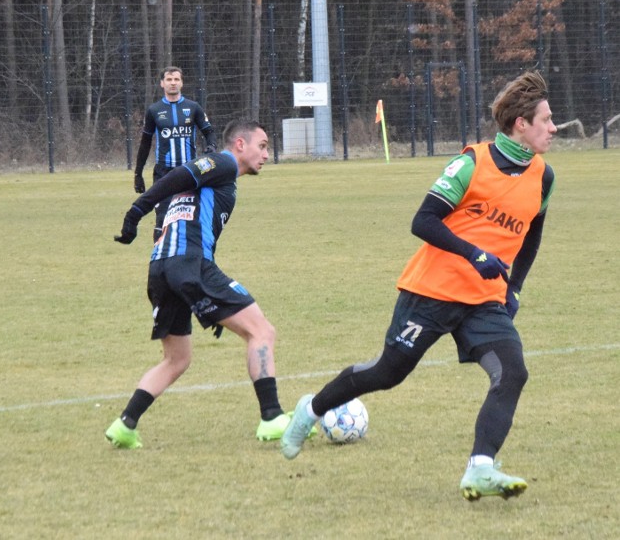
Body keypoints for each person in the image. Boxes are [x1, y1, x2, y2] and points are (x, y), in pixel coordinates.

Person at [280, 71, 557, 502]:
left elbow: (532, 231)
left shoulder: (543, 176)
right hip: (432, 292)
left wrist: (514, 288)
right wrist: (474, 254)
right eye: (547, 119)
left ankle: (480, 469)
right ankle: (311, 409)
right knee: (388, 373)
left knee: (513, 372)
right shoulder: (471, 163)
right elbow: (422, 220)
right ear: (521, 123)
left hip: (484, 302)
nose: (553, 128)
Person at [107, 118, 305, 448]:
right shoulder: (224, 162)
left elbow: (175, 201)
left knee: (177, 359)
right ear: (240, 145)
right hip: (191, 265)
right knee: (261, 332)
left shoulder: (203, 186)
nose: (267, 154)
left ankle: (125, 425)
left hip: (160, 270)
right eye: (263, 145)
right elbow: (182, 172)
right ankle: (272, 417)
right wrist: (136, 210)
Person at [132, 66, 218, 242]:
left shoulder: (193, 107)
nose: (173, 83)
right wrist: (138, 173)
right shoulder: (154, 110)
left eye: (176, 79)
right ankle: (159, 257)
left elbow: (209, 132)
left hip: (189, 171)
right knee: (162, 216)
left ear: (182, 83)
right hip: (164, 172)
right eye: (169, 80)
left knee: (191, 215)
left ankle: (190, 255)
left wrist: (212, 147)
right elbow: (145, 143)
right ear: (162, 83)